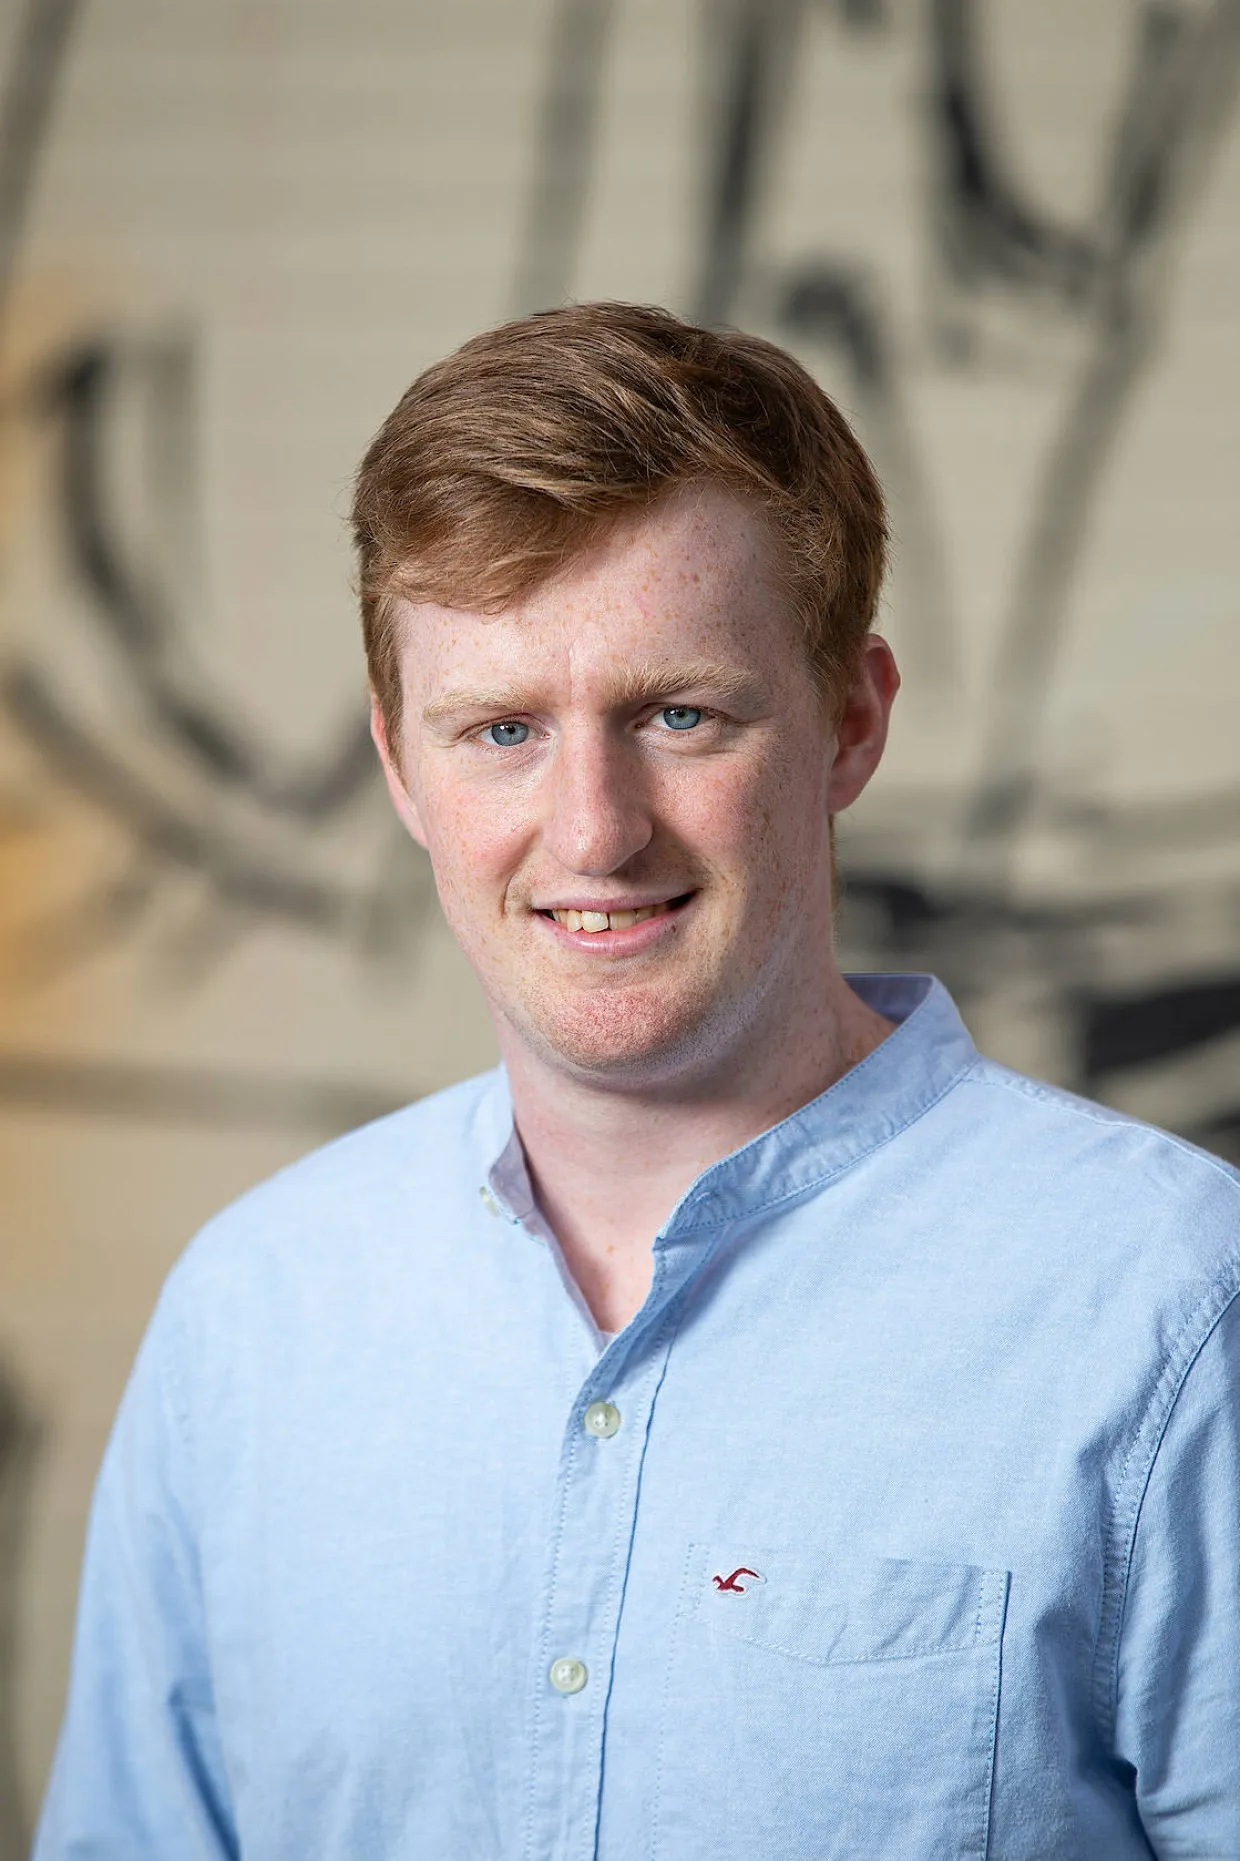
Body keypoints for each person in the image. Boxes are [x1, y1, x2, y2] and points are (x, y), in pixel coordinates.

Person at [36, 303, 1240, 1860]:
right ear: (400, 766)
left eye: (680, 715)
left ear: (851, 720)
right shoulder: (254, 1319)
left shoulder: (1173, 1310)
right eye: (502, 730)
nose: (594, 832)